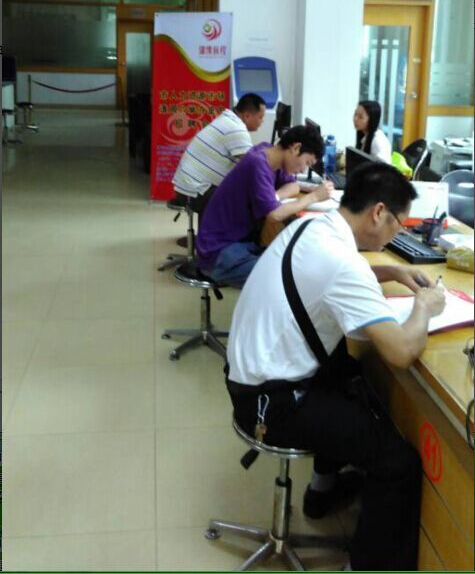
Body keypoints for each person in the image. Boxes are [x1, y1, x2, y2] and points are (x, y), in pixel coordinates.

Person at [226, 162, 445, 572]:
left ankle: (323, 489)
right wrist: (424, 308)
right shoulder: (343, 262)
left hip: (249, 378)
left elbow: (330, 276)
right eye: (400, 224)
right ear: (378, 212)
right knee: (398, 463)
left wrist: (392, 270)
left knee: (345, 368)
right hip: (271, 404)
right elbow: (400, 352)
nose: (398, 234)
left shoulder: (316, 226)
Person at [196, 125, 333, 287]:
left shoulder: (269, 153)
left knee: (294, 262)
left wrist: (273, 197)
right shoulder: (258, 163)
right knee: (294, 278)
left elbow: (294, 186)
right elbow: (274, 214)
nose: (304, 169)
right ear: (296, 148)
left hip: (238, 243)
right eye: (307, 162)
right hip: (220, 253)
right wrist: (314, 197)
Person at [172, 93, 266, 215]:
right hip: (194, 191)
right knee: (244, 205)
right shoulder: (236, 128)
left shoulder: (227, 119)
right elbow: (253, 165)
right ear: (247, 116)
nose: (262, 121)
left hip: (188, 186)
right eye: (260, 117)